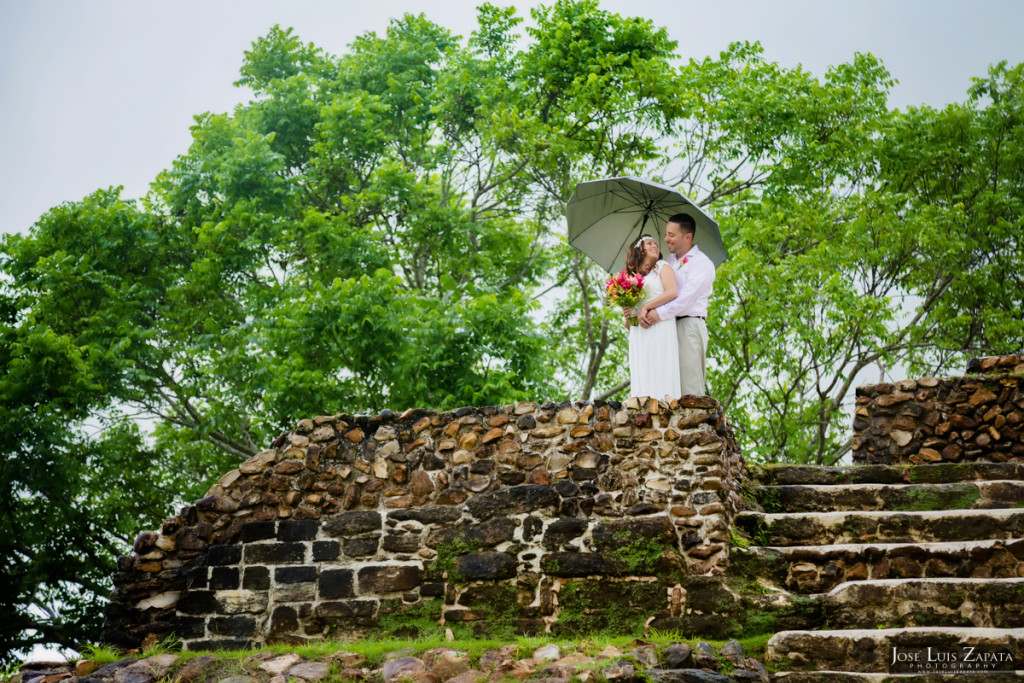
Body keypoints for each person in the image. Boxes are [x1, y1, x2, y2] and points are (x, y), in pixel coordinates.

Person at [638, 213, 715, 396]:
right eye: (666, 234)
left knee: (689, 388)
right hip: (666, 328)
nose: (665, 239)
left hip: (688, 325)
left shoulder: (702, 263)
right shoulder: (668, 262)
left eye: (671, 235)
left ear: (687, 237)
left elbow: (684, 299)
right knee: (669, 387)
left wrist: (657, 313)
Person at [625, 235, 681, 399]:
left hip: (661, 327)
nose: (655, 246)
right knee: (643, 372)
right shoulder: (632, 279)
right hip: (639, 335)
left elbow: (672, 292)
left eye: (656, 244)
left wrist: (646, 306)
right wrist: (628, 314)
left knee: (661, 367)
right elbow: (630, 325)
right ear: (639, 250)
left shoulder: (663, 267)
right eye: (649, 243)